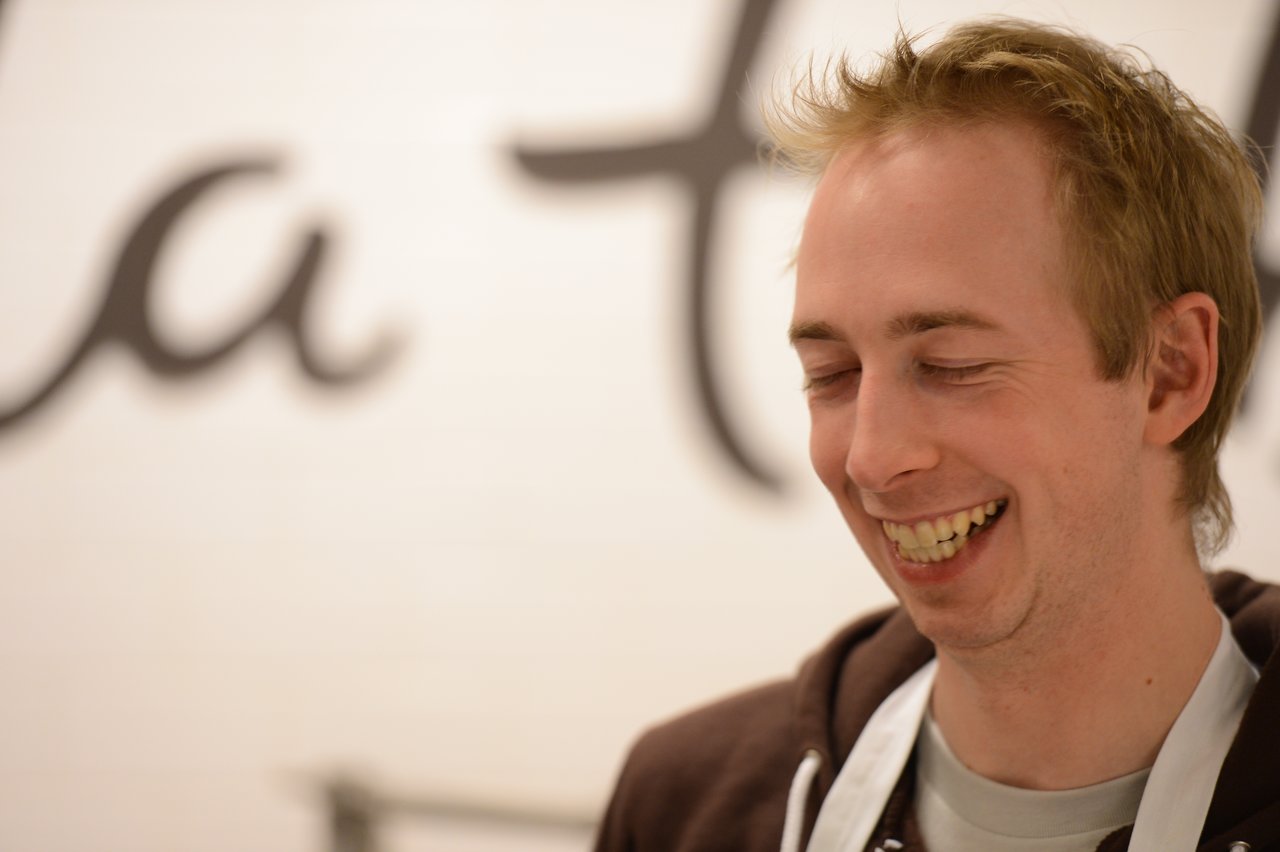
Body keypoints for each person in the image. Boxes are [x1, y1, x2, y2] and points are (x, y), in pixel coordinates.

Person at [593, 18, 1280, 852]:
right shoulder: (685, 807)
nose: (871, 458)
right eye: (833, 373)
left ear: (1171, 371)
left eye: (952, 365)